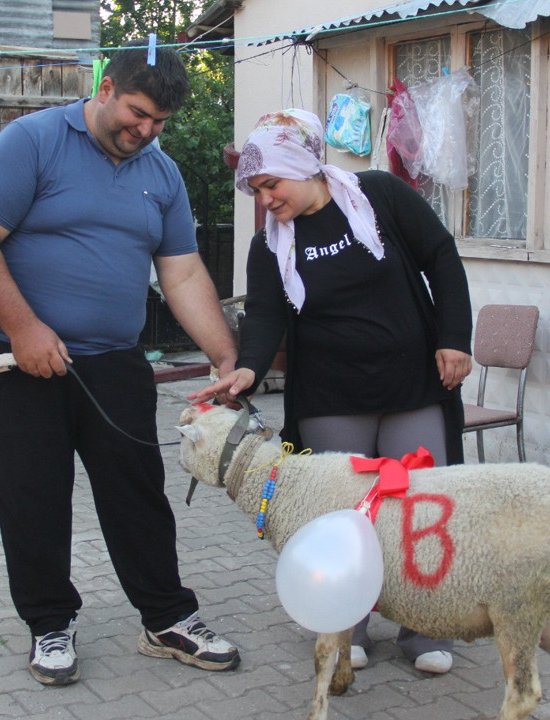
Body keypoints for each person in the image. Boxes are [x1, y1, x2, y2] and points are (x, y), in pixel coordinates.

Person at [0, 41, 241, 687]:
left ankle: (167, 618)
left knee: (138, 492)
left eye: (158, 123)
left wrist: (225, 354)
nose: (144, 131)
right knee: (33, 496)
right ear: (106, 88)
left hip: (114, 361)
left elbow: (183, 270)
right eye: (136, 114)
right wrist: (23, 328)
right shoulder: (33, 141)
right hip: (16, 356)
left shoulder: (160, 174)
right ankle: (50, 623)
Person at [190, 109, 473, 674]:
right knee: (342, 514)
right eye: (256, 188)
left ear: (302, 165)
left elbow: (441, 256)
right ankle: (348, 624)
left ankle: (423, 627)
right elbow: (266, 317)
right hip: (328, 396)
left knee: (422, 507)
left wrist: (453, 338)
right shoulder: (269, 244)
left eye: (271, 183)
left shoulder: (379, 196)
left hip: (412, 383)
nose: (265, 198)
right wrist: (246, 371)